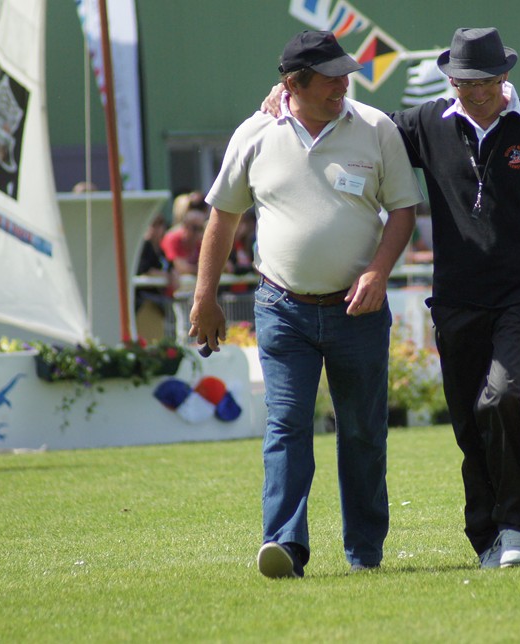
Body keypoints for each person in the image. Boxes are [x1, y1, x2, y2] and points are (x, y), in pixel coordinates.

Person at [260, 27, 520, 570]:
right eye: (461, 82)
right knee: (466, 420)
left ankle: (516, 528)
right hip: (457, 296)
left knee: (503, 397)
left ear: (503, 77)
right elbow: (350, 122)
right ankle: (485, 534)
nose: (472, 92)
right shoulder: (423, 122)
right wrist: (282, 97)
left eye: (483, 82)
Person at [189, 30, 423, 579]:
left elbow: (405, 211)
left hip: (357, 311)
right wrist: (205, 297)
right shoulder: (255, 133)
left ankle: (364, 551)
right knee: (287, 425)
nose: (344, 84)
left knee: (363, 430)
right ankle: (284, 546)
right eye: (331, 77)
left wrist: (377, 271)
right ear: (293, 84)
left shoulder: (376, 128)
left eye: (346, 74)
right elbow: (222, 217)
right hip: (282, 307)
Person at [135, 214, 176, 341]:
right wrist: (165, 276)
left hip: (158, 302)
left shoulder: (160, 249)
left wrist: (173, 273)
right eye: (153, 225)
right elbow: (144, 269)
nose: (157, 229)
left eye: (160, 225)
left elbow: (168, 265)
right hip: (144, 303)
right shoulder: (143, 246)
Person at [160, 206, 205, 275]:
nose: (199, 233)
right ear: (185, 227)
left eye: (201, 229)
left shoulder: (199, 243)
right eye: (195, 228)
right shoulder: (172, 239)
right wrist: (203, 270)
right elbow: (180, 267)